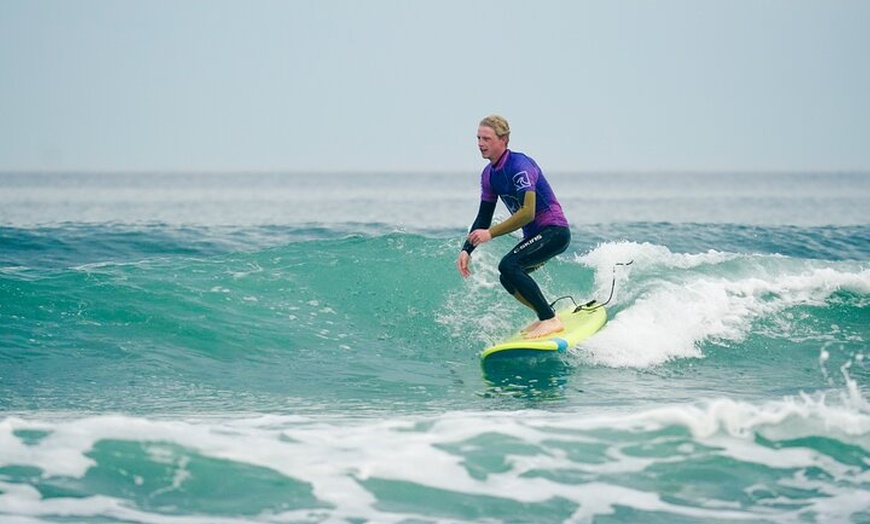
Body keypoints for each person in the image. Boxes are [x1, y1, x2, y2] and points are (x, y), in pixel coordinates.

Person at [457, 114, 571, 339]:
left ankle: (549, 318)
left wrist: (490, 234)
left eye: (486, 138)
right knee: (507, 276)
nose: (480, 144)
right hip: (536, 236)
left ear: (503, 140)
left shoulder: (520, 166)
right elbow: (483, 217)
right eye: (478, 138)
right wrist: (466, 249)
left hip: (554, 231)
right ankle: (546, 315)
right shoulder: (489, 175)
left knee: (509, 265)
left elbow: (528, 212)